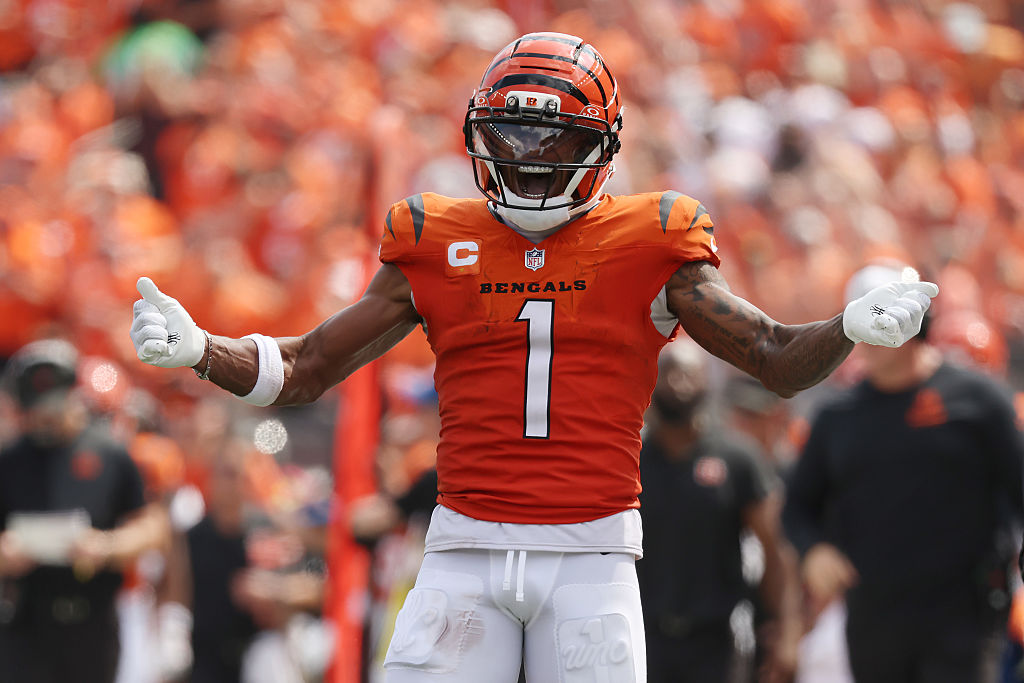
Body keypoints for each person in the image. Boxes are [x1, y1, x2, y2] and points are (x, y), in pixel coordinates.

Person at [129, 32, 938, 683]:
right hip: (461, 549)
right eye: (511, 134)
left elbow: (773, 356)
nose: (530, 156)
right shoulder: (433, 234)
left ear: (602, 145)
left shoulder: (651, 238)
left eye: (554, 139)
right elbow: (303, 368)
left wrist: (846, 327)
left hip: (591, 556)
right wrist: (203, 349)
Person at [783, 262, 1023, 683]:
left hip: (964, 613)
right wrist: (814, 550)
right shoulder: (838, 416)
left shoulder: (978, 401)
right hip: (875, 615)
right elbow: (798, 506)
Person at [0, 339, 167, 683]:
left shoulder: (110, 453)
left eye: (53, 405)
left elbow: (152, 526)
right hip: (24, 621)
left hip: (94, 620)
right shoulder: (10, 460)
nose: (44, 417)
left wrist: (106, 546)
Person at [638, 341, 802, 683]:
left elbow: (776, 550)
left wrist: (786, 632)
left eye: (689, 375)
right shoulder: (630, 461)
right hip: (640, 631)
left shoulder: (737, 459)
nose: (679, 384)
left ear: (706, 383)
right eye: (670, 374)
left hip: (718, 637)